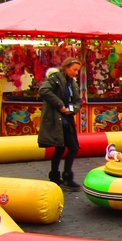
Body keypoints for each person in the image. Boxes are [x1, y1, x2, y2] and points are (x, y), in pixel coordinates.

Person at [38, 58, 82, 189]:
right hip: (57, 119)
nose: (76, 73)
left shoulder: (72, 83)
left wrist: (72, 109)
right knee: (70, 147)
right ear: (66, 67)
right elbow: (44, 91)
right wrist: (60, 105)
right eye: (74, 69)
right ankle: (64, 176)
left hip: (66, 118)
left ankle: (56, 176)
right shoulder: (55, 78)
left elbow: (78, 101)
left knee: (62, 148)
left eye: (77, 70)